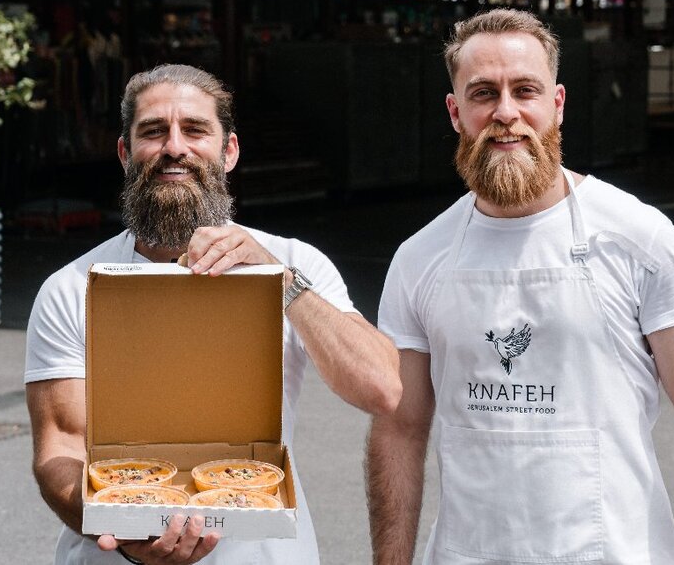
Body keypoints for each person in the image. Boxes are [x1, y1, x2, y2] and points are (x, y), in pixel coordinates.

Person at [366, 9, 674, 565]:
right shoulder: (419, 257)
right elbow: (399, 430)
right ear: (455, 112)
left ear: (557, 105)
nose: (506, 113)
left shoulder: (637, 237)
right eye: (483, 94)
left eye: (525, 90)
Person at [25, 63, 401, 565]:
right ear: (124, 153)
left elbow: (382, 388)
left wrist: (280, 283)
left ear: (230, 152)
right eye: (153, 131)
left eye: (195, 130)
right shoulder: (70, 289)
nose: (174, 148)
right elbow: (61, 450)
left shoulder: (295, 264)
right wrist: (126, 533)